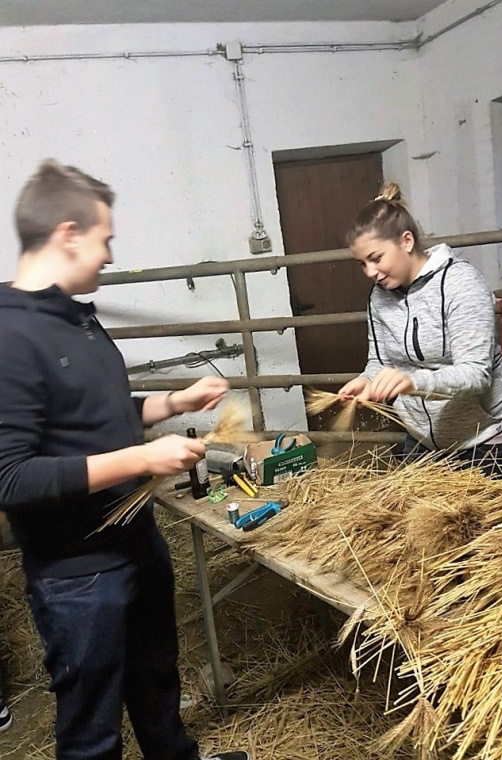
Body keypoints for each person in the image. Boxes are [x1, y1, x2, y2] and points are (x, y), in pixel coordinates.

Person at [0, 159, 249, 760]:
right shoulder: (10, 336)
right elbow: (11, 477)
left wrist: (172, 402)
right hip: (79, 570)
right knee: (92, 727)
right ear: (68, 234)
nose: (110, 256)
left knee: (157, 680)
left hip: (135, 537)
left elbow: (99, 413)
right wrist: (142, 456)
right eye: (105, 239)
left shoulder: (75, 317)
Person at [338, 182, 502, 478]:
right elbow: (380, 361)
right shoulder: (379, 297)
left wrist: (411, 382)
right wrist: (367, 380)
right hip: (425, 441)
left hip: (493, 437)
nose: (370, 272)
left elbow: (476, 374)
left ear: (406, 241)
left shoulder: (459, 283)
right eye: (362, 264)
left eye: (376, 258)